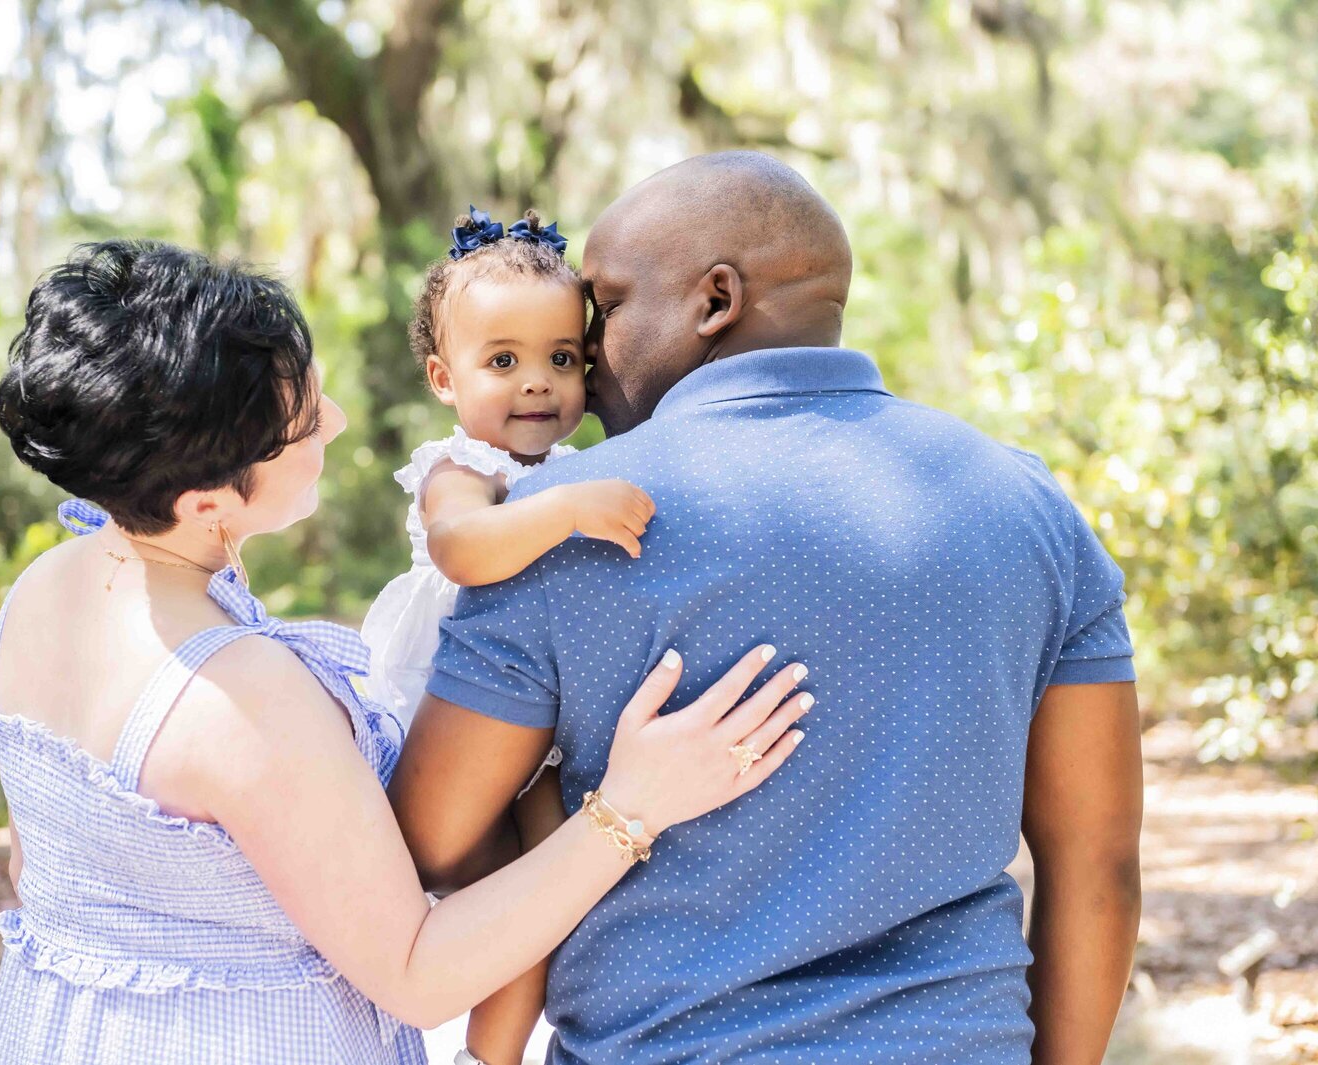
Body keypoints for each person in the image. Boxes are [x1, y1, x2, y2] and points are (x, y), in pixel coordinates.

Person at [0, 238, 812, 1064]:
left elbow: (38, 860)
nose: (333, 421)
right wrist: (634, 804)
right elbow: (417, 973)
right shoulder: (240, 696)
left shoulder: (49, 588)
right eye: (304, 422)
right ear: (204, 502)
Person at [391, 151, 1144, 1065]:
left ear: (715, 300)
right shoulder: (1030, 507)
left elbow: (431, 839)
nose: (587, 349)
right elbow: (1097, 865)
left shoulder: (563, 527)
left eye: (610, 306)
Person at [359, 205, 657, 1063]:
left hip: (543, 729)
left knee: (541, 907)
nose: (537, 383)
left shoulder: (574, 470)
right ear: (443, 377)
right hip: (451, 705)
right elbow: (462, 550)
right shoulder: (462, 471)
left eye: (562, 359)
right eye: (503, 361)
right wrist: (565, 513)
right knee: (495, 899)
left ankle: (497, 1052)